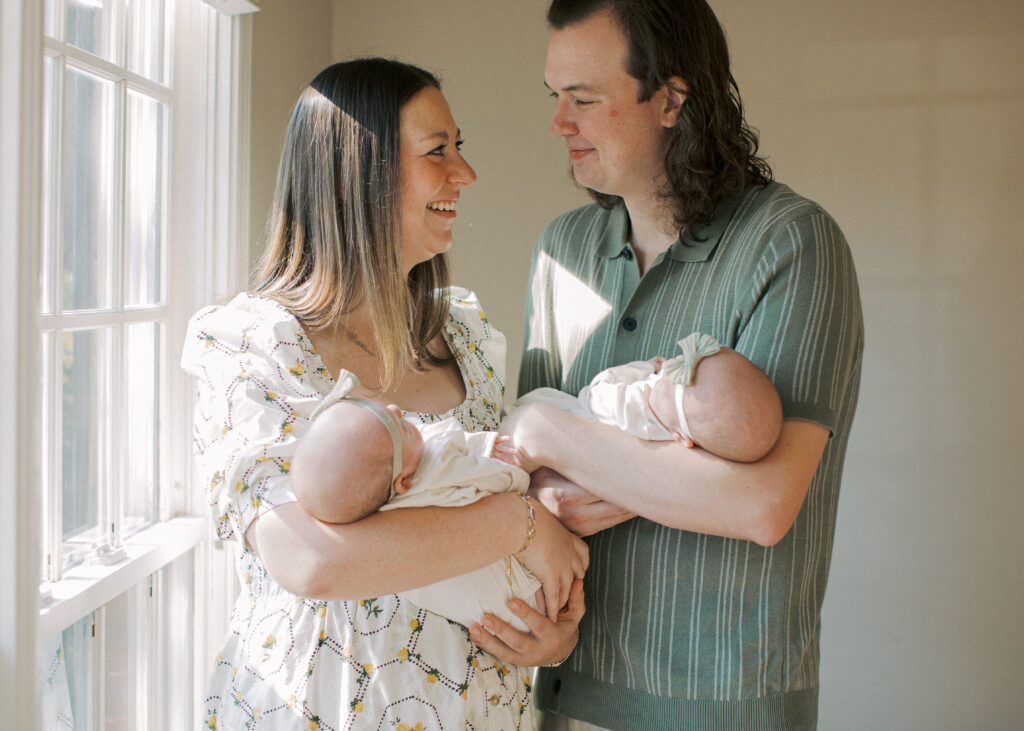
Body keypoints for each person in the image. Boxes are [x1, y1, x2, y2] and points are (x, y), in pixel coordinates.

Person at [470, 2, 864, 730]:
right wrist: (665, 475)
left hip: (725, 706)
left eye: (583, 99)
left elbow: (760, 507)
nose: (558, 122)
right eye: (554, 96)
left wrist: (551, 431)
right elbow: (532, 487)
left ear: (672, 101)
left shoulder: (794, 244)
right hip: (569, 691)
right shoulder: (562, 251)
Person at [181, 58, 587, 730]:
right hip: (318, 710)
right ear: (356, 173)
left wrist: (552, 636)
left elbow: (506, 517)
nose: (465, 173)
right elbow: (308, 559)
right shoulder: (254, 346)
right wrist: (517, 522)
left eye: (459, 147)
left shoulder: (464, 337)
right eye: (438, 151)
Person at [291, 367, 543, 632]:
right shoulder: (437, 472)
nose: (396, 409)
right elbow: (504, 478)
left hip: (498, 616)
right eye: (400, 427)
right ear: (403, 482)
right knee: (538, 409)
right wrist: (520, 488)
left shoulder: (382, 509)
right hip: (523, 591)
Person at [510, 331, 783, 464]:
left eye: (675, 378)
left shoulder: (639, 413)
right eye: (684, 361)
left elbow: (596, 393)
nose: (671, 366)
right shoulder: (674, 419)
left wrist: (644, 368)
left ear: (681, 437)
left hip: (553, 423)